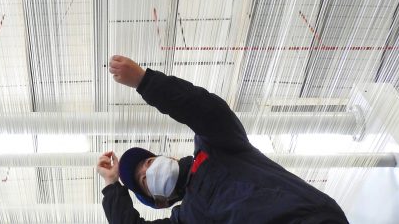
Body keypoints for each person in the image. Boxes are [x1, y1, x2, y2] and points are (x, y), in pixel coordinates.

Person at [97, 55, 348, 224]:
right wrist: (111, 184)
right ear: (160, 201)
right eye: (144, 179)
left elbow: (204, 109)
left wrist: (145, 81)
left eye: (149, 161)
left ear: (169, 157)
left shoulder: (215, 145)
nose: (150, 169)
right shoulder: (190, 217)